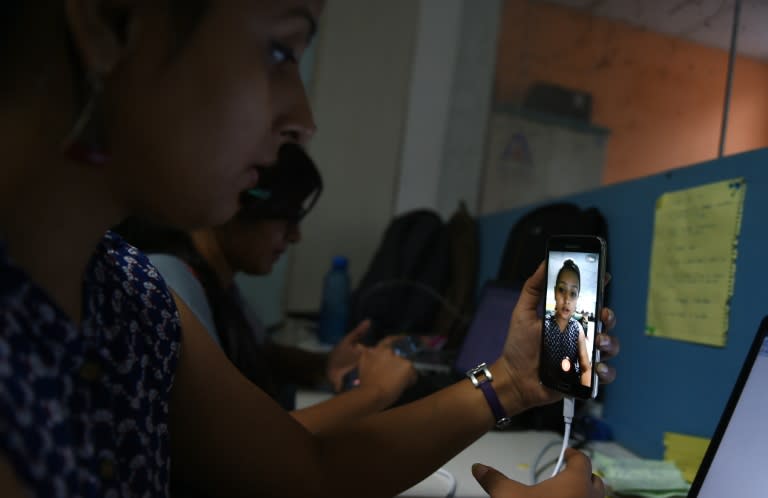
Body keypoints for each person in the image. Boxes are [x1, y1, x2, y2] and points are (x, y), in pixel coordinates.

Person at [0, 2, 620, 497]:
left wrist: (511, 383)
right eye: (279, 49)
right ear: (110, 19)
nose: (302, 119)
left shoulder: (127, 293)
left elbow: (306, 469)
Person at [115, 142, 417, 435]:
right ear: (238, 201)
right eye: (288, 217)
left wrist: (327, 364)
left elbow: (263, 355)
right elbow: (236, 442)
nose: (295, 236)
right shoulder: (169, 278)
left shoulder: (217, 283)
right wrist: (377, 392)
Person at [543, 259, 593, 387]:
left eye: (573, 293)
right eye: (561, 290)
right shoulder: (544, 325)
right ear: (555, 292)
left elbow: (586, 369)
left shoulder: (578, 329)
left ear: (577, 299)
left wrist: (582, 392)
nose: (567, 299)